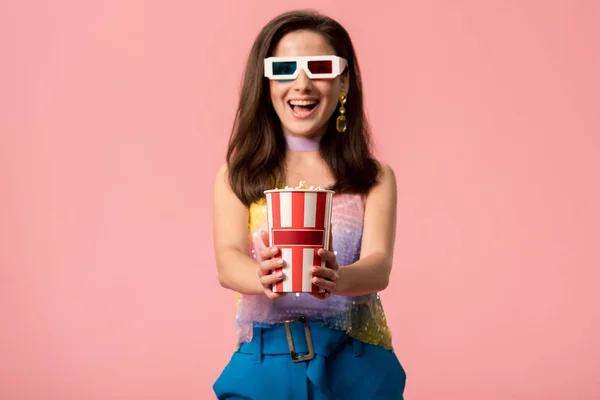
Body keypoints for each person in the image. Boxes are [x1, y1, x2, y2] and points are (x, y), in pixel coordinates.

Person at [212, 9, 406, 399]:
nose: (301, 84)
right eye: (284, 68)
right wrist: (261, 276)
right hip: (265, 365)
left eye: (319, 67)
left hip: (357, 365)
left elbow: (379, 264)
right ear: (266, 82)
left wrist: (338, 278)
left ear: (343, 81)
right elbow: (228, 259)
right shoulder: (239, 175)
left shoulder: (374, 177)